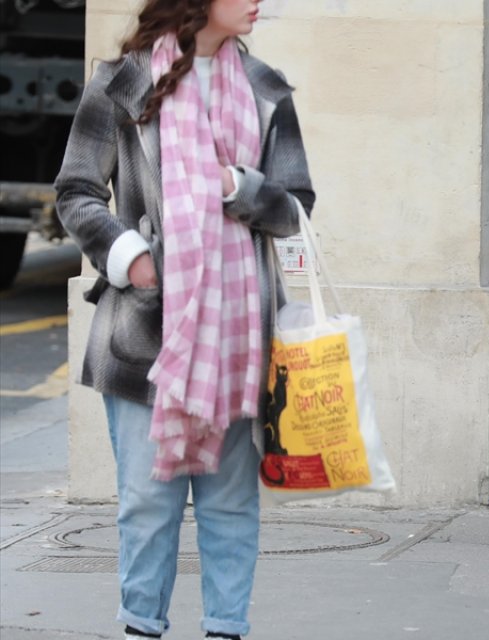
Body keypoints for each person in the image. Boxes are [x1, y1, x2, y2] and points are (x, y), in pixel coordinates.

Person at [53, 1, 312, 638]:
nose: (259, 1)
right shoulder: (121, 82)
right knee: (147, 504)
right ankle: (142, 626)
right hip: (144, 333)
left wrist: (236, 185)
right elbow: (76, 190)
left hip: (238, 335)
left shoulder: (265, 91)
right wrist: (128, 255)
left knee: (229, 503)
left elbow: (296, 207)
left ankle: (227, 628)